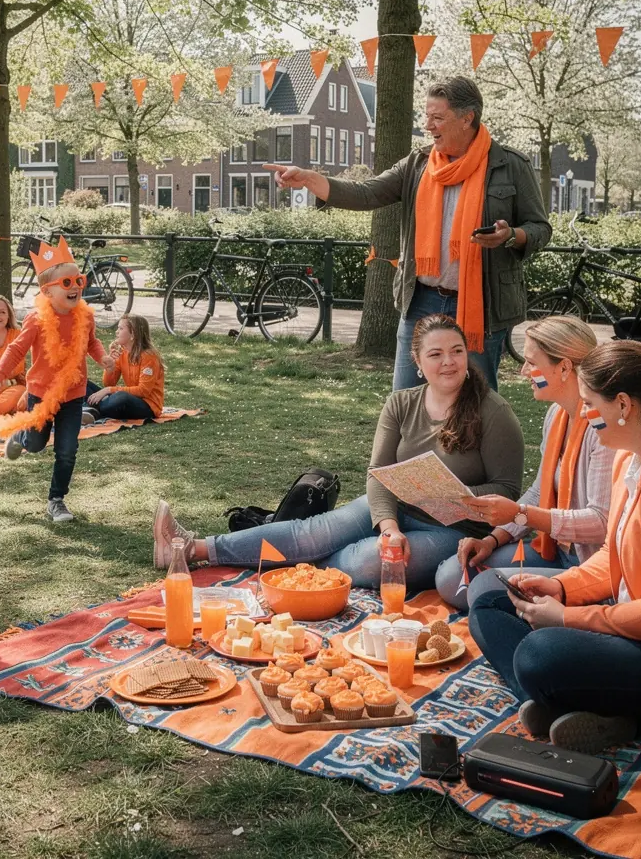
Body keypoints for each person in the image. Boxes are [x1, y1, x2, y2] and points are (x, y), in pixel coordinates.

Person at [153, 313, 523, 585]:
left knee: (370, 561)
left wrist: (451, 495)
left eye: (457, 351)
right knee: (310, 532)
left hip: (456, 526)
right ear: (418, 362)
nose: (448, 362)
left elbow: (508, 491)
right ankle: (190, 548)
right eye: (436, 354)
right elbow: (378, 475)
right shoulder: (400, 403)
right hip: (395, 506)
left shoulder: (493, 411)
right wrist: (390, 526)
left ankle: (302, 564)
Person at [470, 339, 641, 754]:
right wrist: (562, 588)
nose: (581, 413)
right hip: (633, 629)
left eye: (589, 403)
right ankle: (569, 705)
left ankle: (593, 706)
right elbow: (613, 557)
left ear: (623, 405)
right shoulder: (628, 455)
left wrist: (569, 618)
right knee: (489, 602)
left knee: (539, 654)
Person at [267, 76, 551, 391]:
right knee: (405, 400)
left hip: (480, 306)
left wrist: (511, 235)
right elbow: (366, 193)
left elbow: (539, 229)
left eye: (437, 118)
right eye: (426, 116)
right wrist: (310, 179)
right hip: (421, 301)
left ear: (467, 118)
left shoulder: (510, 165)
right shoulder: (418, 163)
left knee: (476, 405)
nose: (428, 125)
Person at [434, 316, 613, 609]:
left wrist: (522, 514)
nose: (523, 371)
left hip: (587, 564)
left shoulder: (600, 427)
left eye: (531, 362)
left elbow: (601, 523)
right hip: (553, 549)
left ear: (565, 367)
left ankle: (570, 610)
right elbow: (541, 490)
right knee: (452, 577)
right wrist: (492, 540)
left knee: (482, 590)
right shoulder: (557, 414)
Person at [0, 236, 109, 523]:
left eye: (78, 280)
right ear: (47, 291)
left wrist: (102, 358)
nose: (76, 287)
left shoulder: (85, 317)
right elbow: (17, 349)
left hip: (73, 393)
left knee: (67, 450)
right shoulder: (36, 319)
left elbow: (92, 343)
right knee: (38, 443)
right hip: (40, 392)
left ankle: (56, 500)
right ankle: (22, 437)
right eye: (67, 283)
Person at [84, 314, 165, 424]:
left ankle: (91, 410)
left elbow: (143, 391)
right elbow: (109, 383)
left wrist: (108, 391)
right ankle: (91, 410)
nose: (116, 332)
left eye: (121, 328)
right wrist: (110, 367)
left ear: (133, 335)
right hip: (125, 401)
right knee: (83, 383)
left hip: (147, 406)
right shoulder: (121, 352)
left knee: (121, 397)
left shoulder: (149, 357)